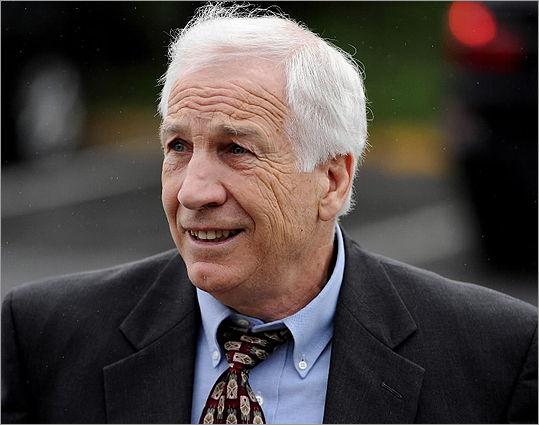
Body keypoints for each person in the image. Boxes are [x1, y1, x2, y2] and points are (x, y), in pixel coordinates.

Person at [2, 3, 537, 424]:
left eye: (236, 149)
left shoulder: (495, 357)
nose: (193, 192)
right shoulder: (46, 337)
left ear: (332, 180)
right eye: (178, 147)